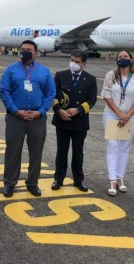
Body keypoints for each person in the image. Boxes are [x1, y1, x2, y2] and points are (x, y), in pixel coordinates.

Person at [0, 40, 55, 197]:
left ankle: (32, 183)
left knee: (36, 152)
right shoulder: (10, 70)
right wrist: (16, 111)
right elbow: (4, 92)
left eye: (28, 50)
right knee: (13, 151)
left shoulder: (44, 71)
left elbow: (50, 93)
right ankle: (9, 183)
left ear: (36, 53)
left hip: (37, 118)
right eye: (22, 49)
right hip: (15, 118)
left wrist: (41, 111)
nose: (24, 52)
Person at [51, 49, 97, 192]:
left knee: (78, 152)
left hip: (80, 121)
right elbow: (53, 94)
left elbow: (92, 100)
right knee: (61, 151)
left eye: (77, 62)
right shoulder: (60, 75)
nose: (73, 63)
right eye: (72, 60)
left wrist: (78, 110)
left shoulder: (90, 79)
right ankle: (58, 178)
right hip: (62, 119)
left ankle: (79, 180)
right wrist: (59, 110)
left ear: (84, 63)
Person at [101, 50, 134, 196]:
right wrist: (119, 113)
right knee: (112, 146)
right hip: (112, 115)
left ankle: (120, 178)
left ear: (131, 60)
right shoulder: (111, 75)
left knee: (124, 147)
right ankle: (112, 180)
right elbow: (106, 94)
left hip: (131, 117)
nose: (122, 59)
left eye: (125, 57)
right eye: (120, 57)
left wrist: (127, 115)